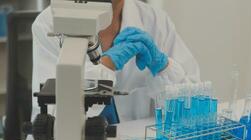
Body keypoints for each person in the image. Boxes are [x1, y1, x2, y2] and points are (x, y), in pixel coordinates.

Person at [32, 0, 200, 122]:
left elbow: (194, 110)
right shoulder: (50, 24)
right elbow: (52, 115)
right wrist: (107, 65)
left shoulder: (155, 21)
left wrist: (164, 67)